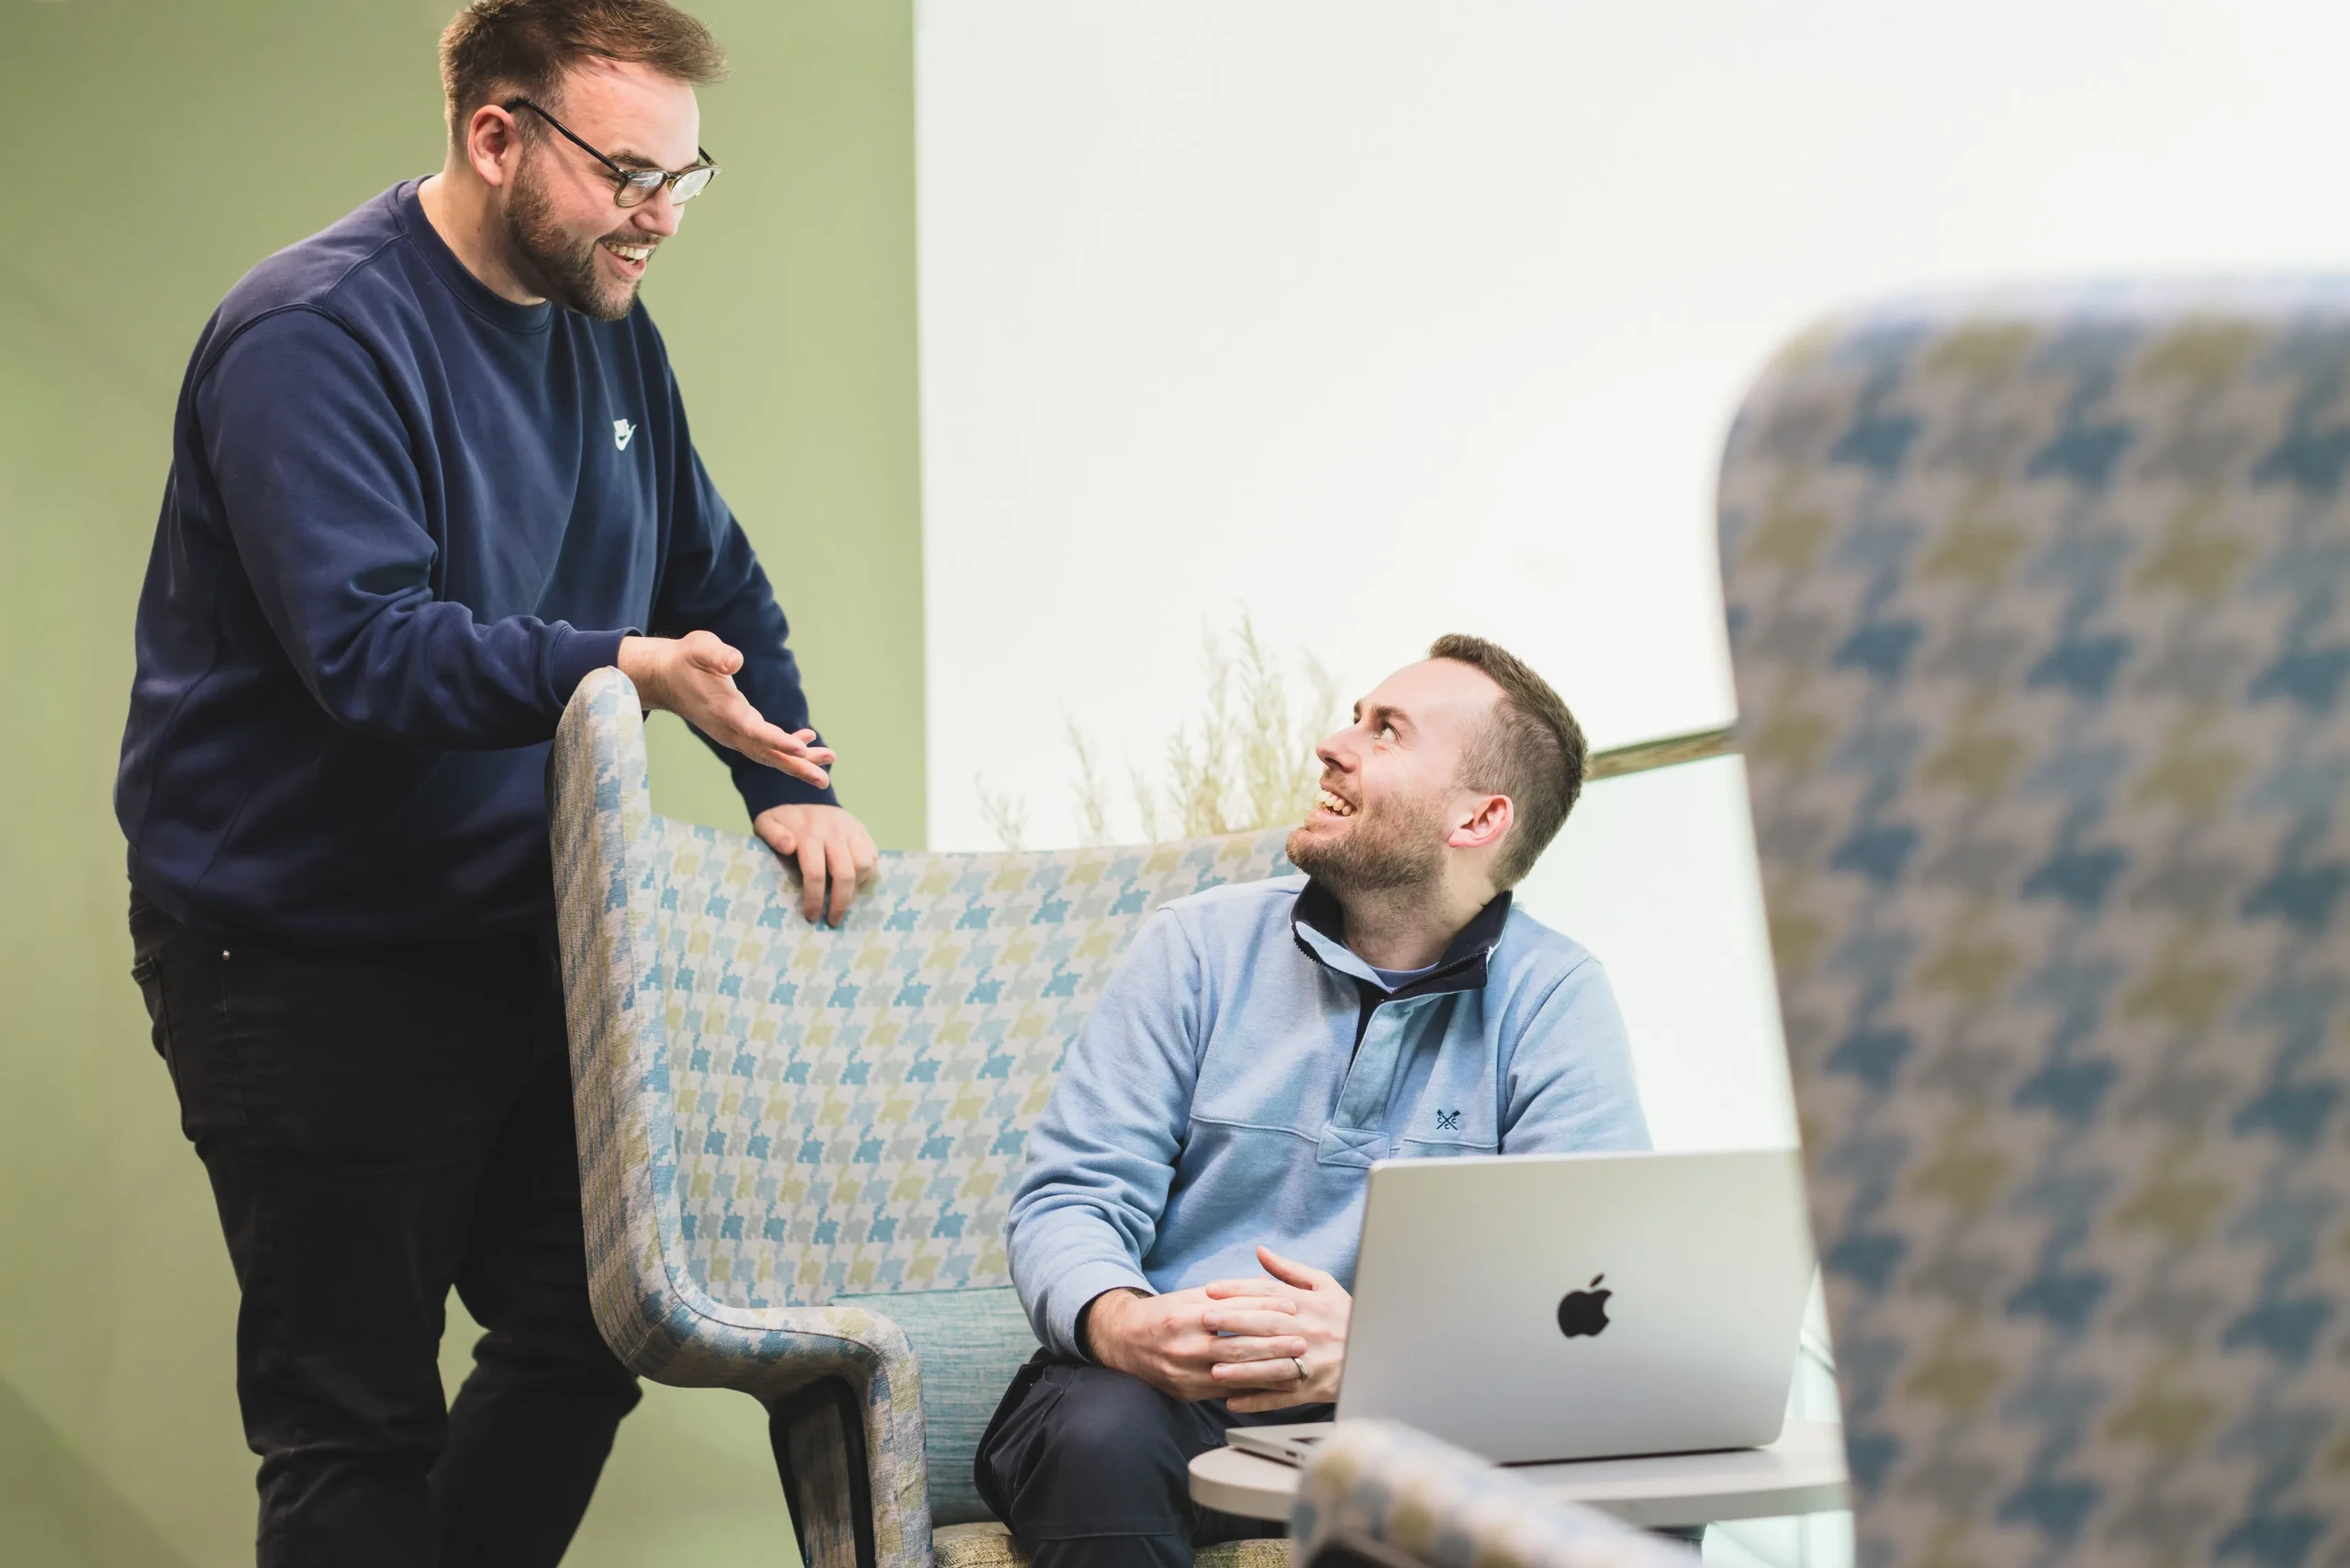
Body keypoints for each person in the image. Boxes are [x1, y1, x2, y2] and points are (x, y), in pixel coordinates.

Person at [114, 3, 878, 1562]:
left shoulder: (604, 322)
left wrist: (784, 776)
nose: (661, 217)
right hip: (300, 958)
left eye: (686, 177)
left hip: (510, 941)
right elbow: (369, 650)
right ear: (495, 135)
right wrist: (618, 663)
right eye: (628, 174)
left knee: (596, 1322)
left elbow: (708, 573)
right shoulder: (314, 336)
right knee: (355, 1424)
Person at [977, 634, 1652, 1567]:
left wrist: (1390, 1354)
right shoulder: (1195, 948)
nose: (1333, 746)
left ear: (1477, 819)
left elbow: (1585, 1292)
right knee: (1100, 1432)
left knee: (1630, 1489)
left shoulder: (1556, 998)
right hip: (1155, 1410)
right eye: (1352, 717)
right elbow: (1070, 1198)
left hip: (1408, 1422)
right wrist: (1121, 1321)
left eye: (1386, 731)